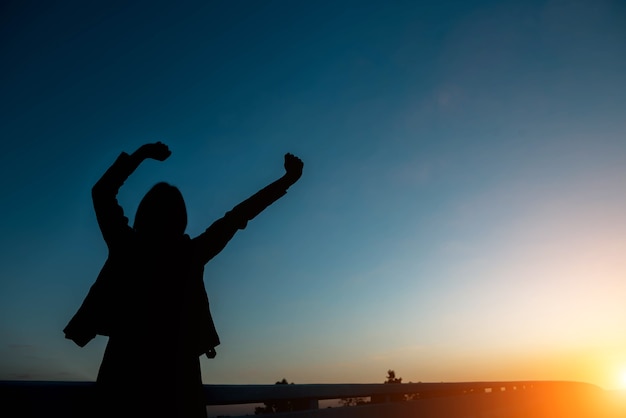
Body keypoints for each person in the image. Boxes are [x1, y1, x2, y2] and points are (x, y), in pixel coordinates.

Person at [63, 142, 303, 417]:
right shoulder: (191, 254)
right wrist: (287, 179)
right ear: (181, 219)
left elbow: (102, 192)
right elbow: (239, 214)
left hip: (123, 369)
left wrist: (142, 155)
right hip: (178, 376)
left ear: (142, 214)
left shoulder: (127, 246)